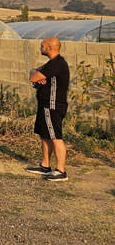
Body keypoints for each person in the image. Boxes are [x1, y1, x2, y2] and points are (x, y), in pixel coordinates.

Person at [25, 37, 70, 181]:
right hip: (45, 105)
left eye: (42, 46)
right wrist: (35, 72)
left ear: (49, 48)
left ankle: (61, 171)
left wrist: (36, 75)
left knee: (55, 137)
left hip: (53, 106)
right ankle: (45, 165)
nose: (41, 48)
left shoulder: (57, 64)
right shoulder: (51, 63)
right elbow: (34, 73)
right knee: (45, 135)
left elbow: (33, 78)